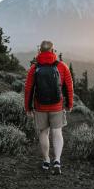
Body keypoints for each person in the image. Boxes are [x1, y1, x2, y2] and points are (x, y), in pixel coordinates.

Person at [24, 40, 73, 175]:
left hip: (40, 106)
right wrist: (69, 104)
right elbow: (69, 87)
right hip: (57, 106)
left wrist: (27, 108)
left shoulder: (34, 68)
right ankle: (57, 160)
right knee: (57, 133)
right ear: (53, 50)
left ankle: (46, 160)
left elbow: (28, 89)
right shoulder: (62, 66)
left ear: (40, 50)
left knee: (43, 133)